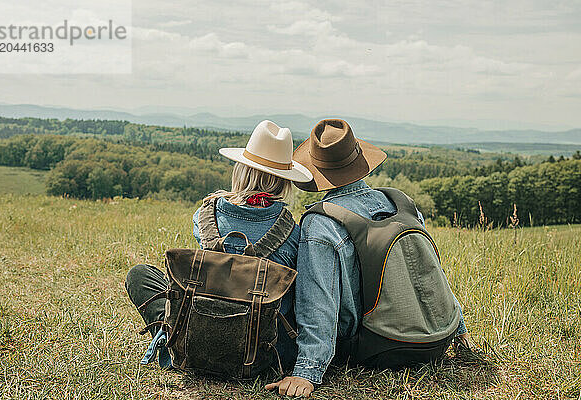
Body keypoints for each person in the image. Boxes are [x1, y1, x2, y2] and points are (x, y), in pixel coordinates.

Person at [266, 119, 473, 398]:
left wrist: (306, 372)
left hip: (381, 348)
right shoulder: (401, 204)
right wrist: (458, 329)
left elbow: (319, 303)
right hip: (438, 339)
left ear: (317, 170)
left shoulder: (322, 221)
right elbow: (430, 273)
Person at [125, 120, 312, 369]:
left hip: (199, 337)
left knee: (140, 274)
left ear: (242, 170)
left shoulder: (205, 215)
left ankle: (171, 335)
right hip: (260, 357)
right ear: (283, 181)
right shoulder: (292, 233)